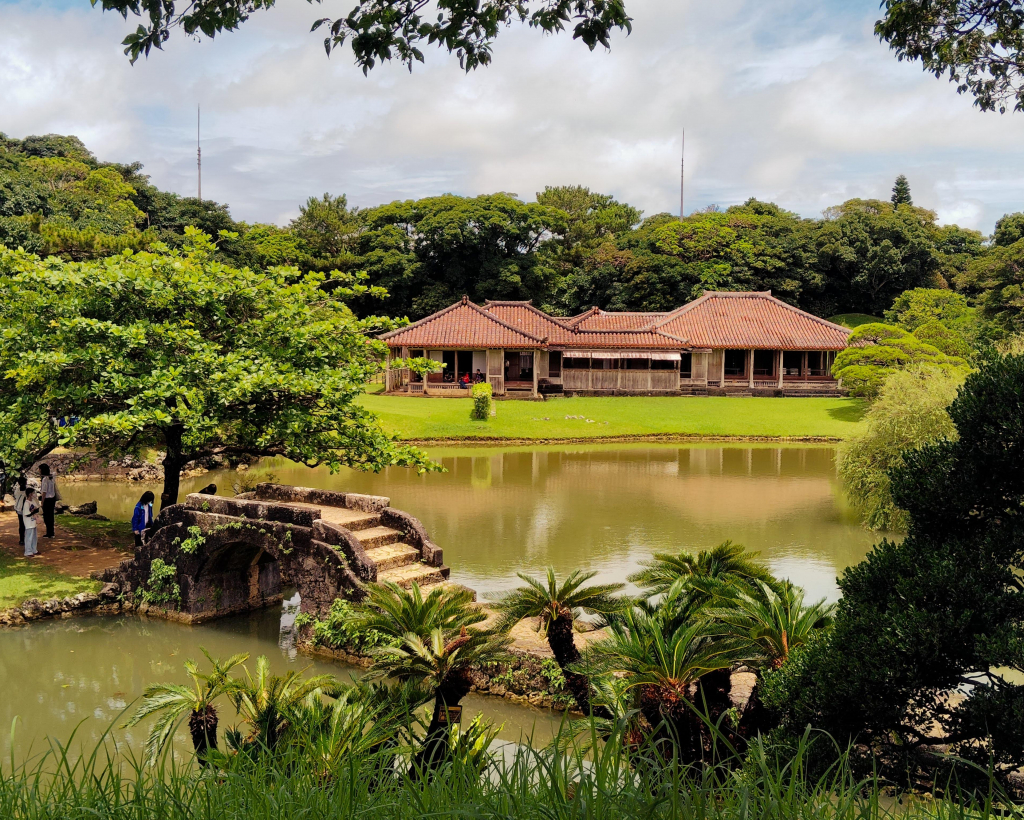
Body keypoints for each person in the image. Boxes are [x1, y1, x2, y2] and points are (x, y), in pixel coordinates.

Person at [38, 464, 59, 539]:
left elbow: (44, 492)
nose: (39, 471)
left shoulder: (45, 479)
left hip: (47, 499)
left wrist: (42, 502)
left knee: (46, 516)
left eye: (40, 469)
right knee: (51, 516)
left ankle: (49, 533)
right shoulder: (51, 477)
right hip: (52, 499)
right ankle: (51, 532)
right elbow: (54, 473)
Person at [22, 486, 40, 558]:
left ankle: (34, 549)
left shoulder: (33, 501)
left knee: (34, 537)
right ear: (30, 494)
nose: (34, 494)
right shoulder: (26, 503)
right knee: (29, 537)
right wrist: (34, 512)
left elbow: (37, 508)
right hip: (29, 523)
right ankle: (28, 551)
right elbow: (27, 514)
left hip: (33, 522)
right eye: (33, 493)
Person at [13, 475, 27, 547]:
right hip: (26, 510)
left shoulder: (17, 490)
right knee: (27, 525)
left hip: (19, 509)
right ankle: (28, 539)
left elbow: (15, 496)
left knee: (21, 525)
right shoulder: (27, 490)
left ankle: (21, 540)